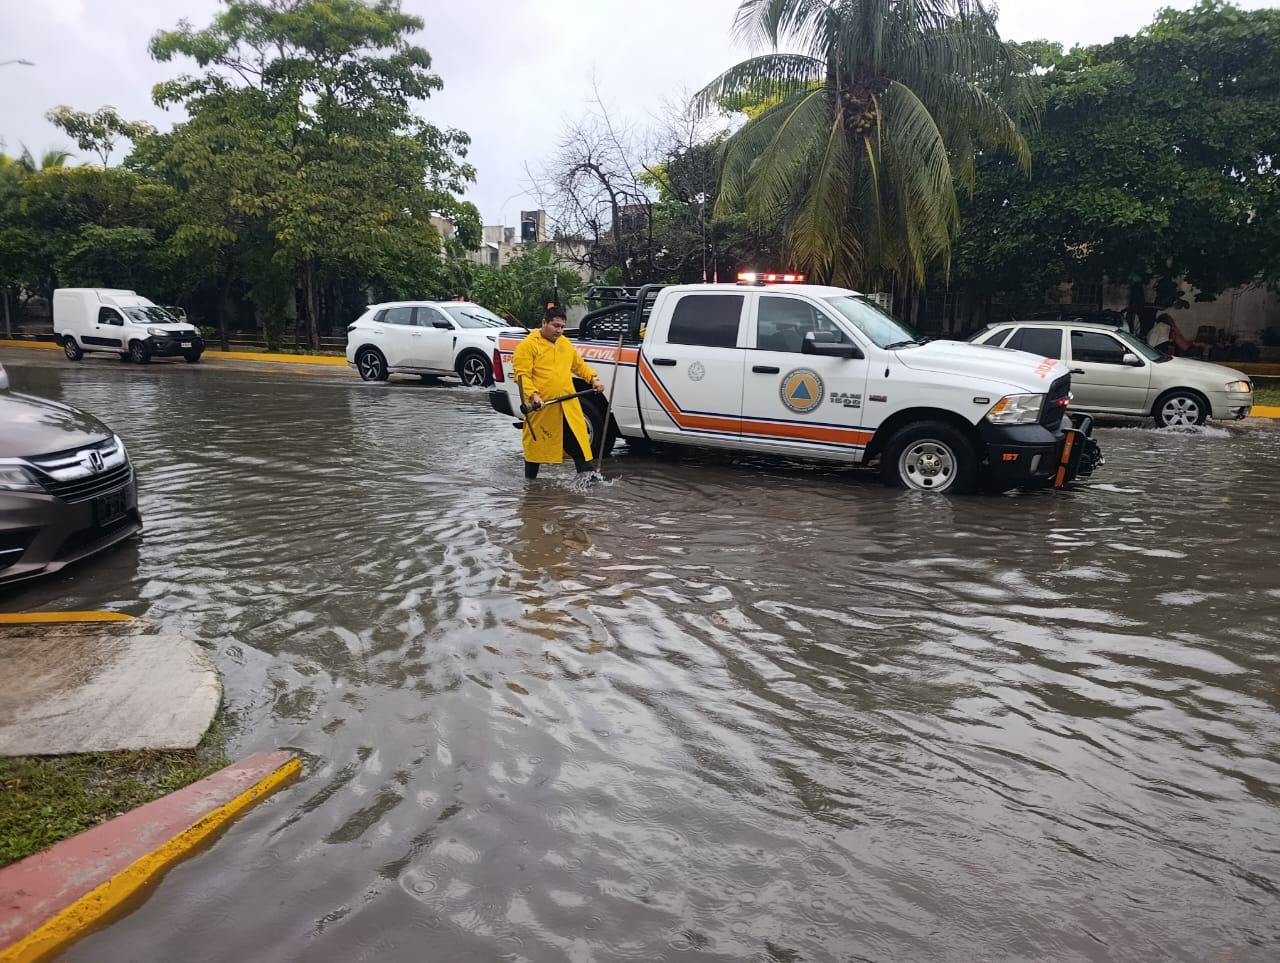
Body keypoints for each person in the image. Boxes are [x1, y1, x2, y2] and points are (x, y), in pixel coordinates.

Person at [511, 302, 604, 479]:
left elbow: (578, 365)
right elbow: (522, 375)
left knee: (579, 443)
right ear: (544, 323)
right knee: (535, 449)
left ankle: (588, 484)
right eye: (555, 326)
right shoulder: (528, 346)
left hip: (568, 405)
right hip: (543, 406)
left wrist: (593, 379)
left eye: (562, 327)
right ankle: (531, 487)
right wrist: (534, 396)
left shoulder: (564, 343)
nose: (559, 330)